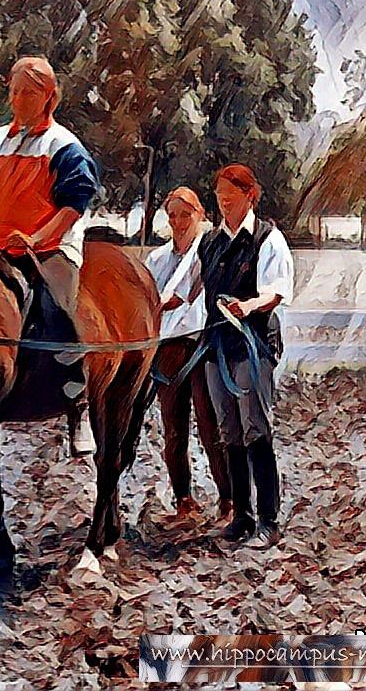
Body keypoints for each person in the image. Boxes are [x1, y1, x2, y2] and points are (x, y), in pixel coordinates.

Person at [0, 56, 100, 403]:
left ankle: (73, 378)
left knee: (54, 304)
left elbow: (73, 207)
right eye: (14, 92)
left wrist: (35, 240)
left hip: (50, 248)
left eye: (28, 93)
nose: (17, 100)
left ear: (49, 96)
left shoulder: (64, 146)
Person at [197, 164, 294, 550]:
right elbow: (193, 289)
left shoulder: (268, 239)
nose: (224, 202)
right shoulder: (211, 242)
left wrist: (248, 306)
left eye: (231, 196)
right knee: (228, 431)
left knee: (256, 427)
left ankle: (268, 521)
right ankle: (242, 516)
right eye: (219, 196)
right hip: (216, 346)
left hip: (252, 346)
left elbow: (276, 292)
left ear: (250, 196)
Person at [145, 188, 232, 522]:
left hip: (200, 344)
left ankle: (228, 499)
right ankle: (183, 498)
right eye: (173, 215)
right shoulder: (157, 259)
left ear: (200, 215)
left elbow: (182, 295)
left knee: (210, 426)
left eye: (185, 215)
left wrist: (155, 305)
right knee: (173, 427)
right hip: (167, 347)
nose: (178, 222)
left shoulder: (208, 251)